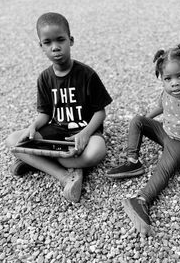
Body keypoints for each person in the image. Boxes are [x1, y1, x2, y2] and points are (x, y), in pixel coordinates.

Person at [106, 43, 180, 235]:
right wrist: (144, 123)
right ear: (162, 80)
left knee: (163, 168)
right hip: (165, 131)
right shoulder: (167, 91)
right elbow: (160, 107)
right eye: (168, 78)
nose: (174, 83)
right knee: (137, 120)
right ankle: (133, 161)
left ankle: (141, 200)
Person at [6, 12, 112, 203]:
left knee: (97, 151)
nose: (55, 47)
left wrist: (86, 133)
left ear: (70, 41)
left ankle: (38, 161)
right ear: (41, 46)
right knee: (14, 141)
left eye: (60, 40)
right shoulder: (44, 78)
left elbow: (100, 112)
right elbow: (45, 114)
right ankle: (66, 175)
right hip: (57, 132)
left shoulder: (87, 75)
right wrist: (33, 126)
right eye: (47, 43)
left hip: (83, 133)